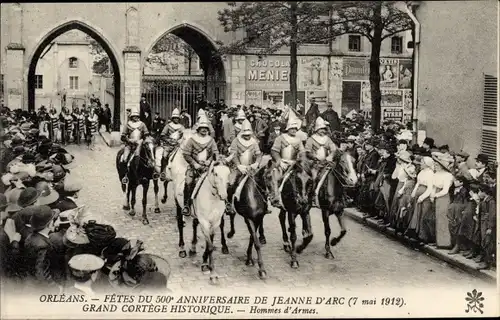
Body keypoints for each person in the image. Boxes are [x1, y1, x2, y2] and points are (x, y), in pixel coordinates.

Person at [181, 114, 219, 216]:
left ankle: (224, 204)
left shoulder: (211, 140)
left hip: (208, 166)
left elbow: (216, 153)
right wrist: (194, 163)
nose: (204, 130)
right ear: (198, 129)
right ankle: (187, 205)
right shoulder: (192, 140)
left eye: (206, 128)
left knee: (220, 180)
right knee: (188, 182)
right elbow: (186, 153)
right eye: (202, 128)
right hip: (195, 167)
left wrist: (210, 161)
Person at [225, 119, 262, 214]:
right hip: (238, 168)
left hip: (251, 168)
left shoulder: (254, 142)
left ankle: (263, 205)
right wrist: (239, 165)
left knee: (260, 185)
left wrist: (256, 163)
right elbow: (234, 154)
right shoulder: (236, 141)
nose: (247, 136)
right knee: (231, 184)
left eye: (248, 134)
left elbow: (258, 154)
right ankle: (229, 204)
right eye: (245, 134)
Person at [268, 117, 305, 209]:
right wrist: (279, 161)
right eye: (292, 128)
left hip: (294, 163)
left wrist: (301, 159)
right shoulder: (280, 138)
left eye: (295, 129)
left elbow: (302, 152)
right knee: (276, 176)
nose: (294, 130)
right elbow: (274, 151)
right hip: (282, 162)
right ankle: (275, 197)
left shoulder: (298, 139)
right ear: (287, 129)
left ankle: (305, 196)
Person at [24, 205, 59, 290]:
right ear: (50, 223)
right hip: (40, 288)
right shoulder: (43, 245)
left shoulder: (30, 237)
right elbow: (40, 273)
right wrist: (54, 288)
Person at [305, 117, 337, 208]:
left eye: (324, 129)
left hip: (327, 162)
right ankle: (312, 196)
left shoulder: (327, 139)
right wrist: (315, 157)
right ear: (317, 129)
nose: (323, 131)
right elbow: (307, 151)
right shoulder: (311, 139)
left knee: (337, 174)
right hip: (315, 164)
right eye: (321, 129)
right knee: (314, 178)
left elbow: (333, 149)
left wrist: (331, 156)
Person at [431, 152, 455, 249]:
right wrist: (432, 195)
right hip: (436, 196)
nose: (435, 166)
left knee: (443, 219)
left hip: (443, 198)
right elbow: (433, 185)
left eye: (437, 165)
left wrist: (435, 195)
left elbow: (445, 190)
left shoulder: (448, 176)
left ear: (442, 166)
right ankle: (437, 241)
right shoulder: (436, 173)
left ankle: (445, 242)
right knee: (436, 218)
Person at [120, 111, 150, 184]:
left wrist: (143, 140)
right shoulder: (128, 125)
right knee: (125, 158)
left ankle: (148, 174)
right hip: (129, 145)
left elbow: (146, 134)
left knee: (147, 156)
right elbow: (123, 136)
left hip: (140, 144)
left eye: (137, 116)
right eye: (134, 116)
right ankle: (125, 175)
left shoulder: (142, 124)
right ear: (131, 117)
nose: (135, 117)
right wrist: (129, 140)